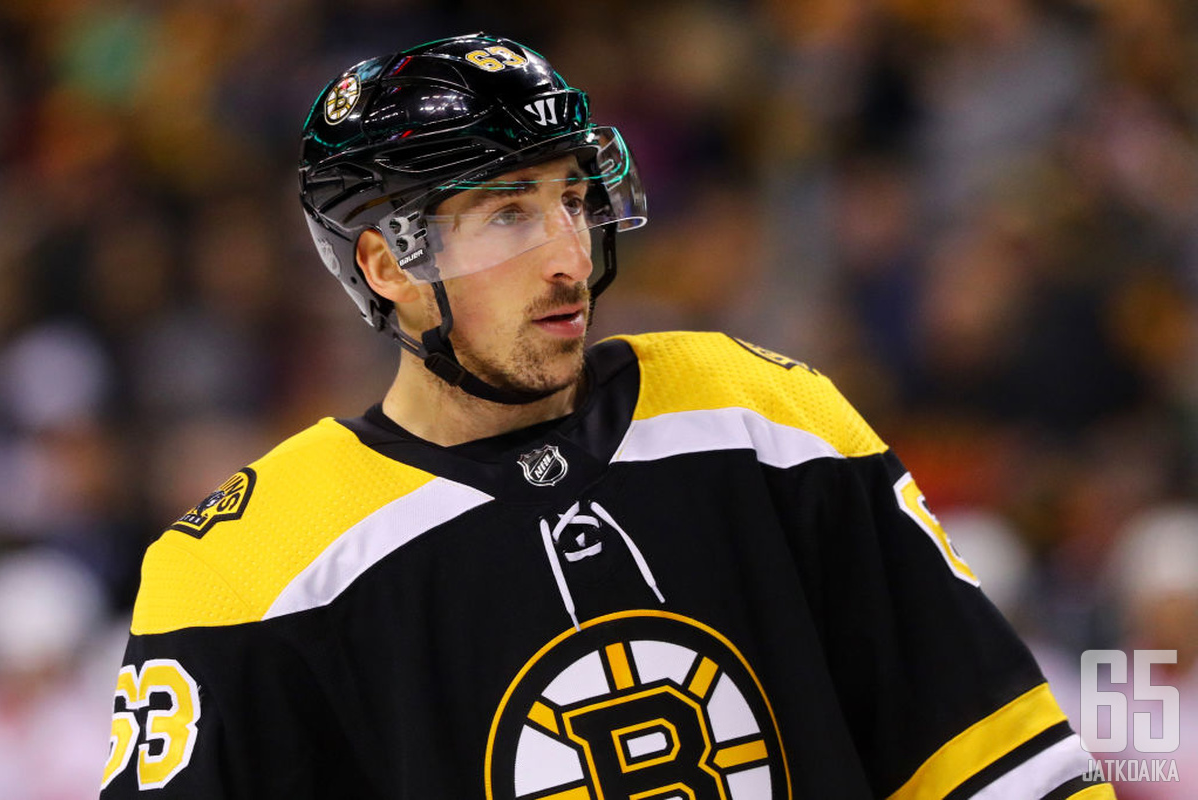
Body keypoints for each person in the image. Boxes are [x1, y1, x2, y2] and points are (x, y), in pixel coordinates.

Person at [100, 33, 1113, 799]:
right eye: (506, 212)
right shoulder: (244, 573)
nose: (568, 256)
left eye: (573, 198)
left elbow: (1000, 762)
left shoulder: (765, 419)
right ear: (387, 264)